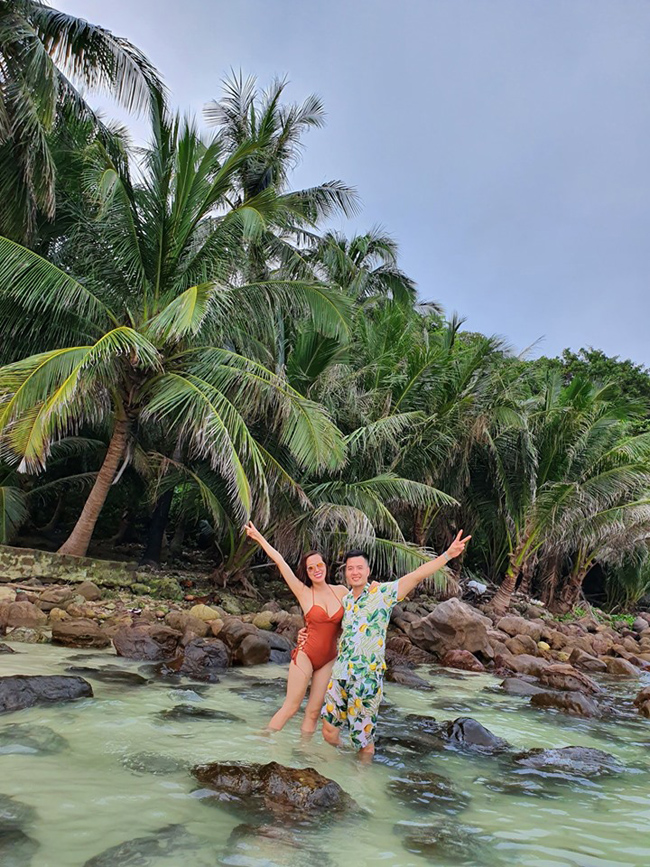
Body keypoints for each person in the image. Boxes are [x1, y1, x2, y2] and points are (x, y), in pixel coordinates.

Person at [321, 530, 471, 761]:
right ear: (345, 573)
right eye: (350, 568)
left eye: (359, 567)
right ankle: (341, 764)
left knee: (363, 741)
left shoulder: (382, 593)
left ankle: (360, 782)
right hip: (340, 673)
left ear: (368, 570)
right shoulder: (347, 600)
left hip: (366, 677)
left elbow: (416, 575)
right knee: (329, 731)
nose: (355, 572)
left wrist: (447, 555)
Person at [244, 521, 348, 734]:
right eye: (311, 568)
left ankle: (303, 758)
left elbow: (360, 609)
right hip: (305, 655)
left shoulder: (342, 591)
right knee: (291, 707)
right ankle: (262, 743)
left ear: (326, 566)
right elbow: (280, 561)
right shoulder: (303, 592)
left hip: (329, 658)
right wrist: (258, 537)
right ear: (307, 572)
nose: (316, 570)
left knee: (313, 712)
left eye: (319, 565)